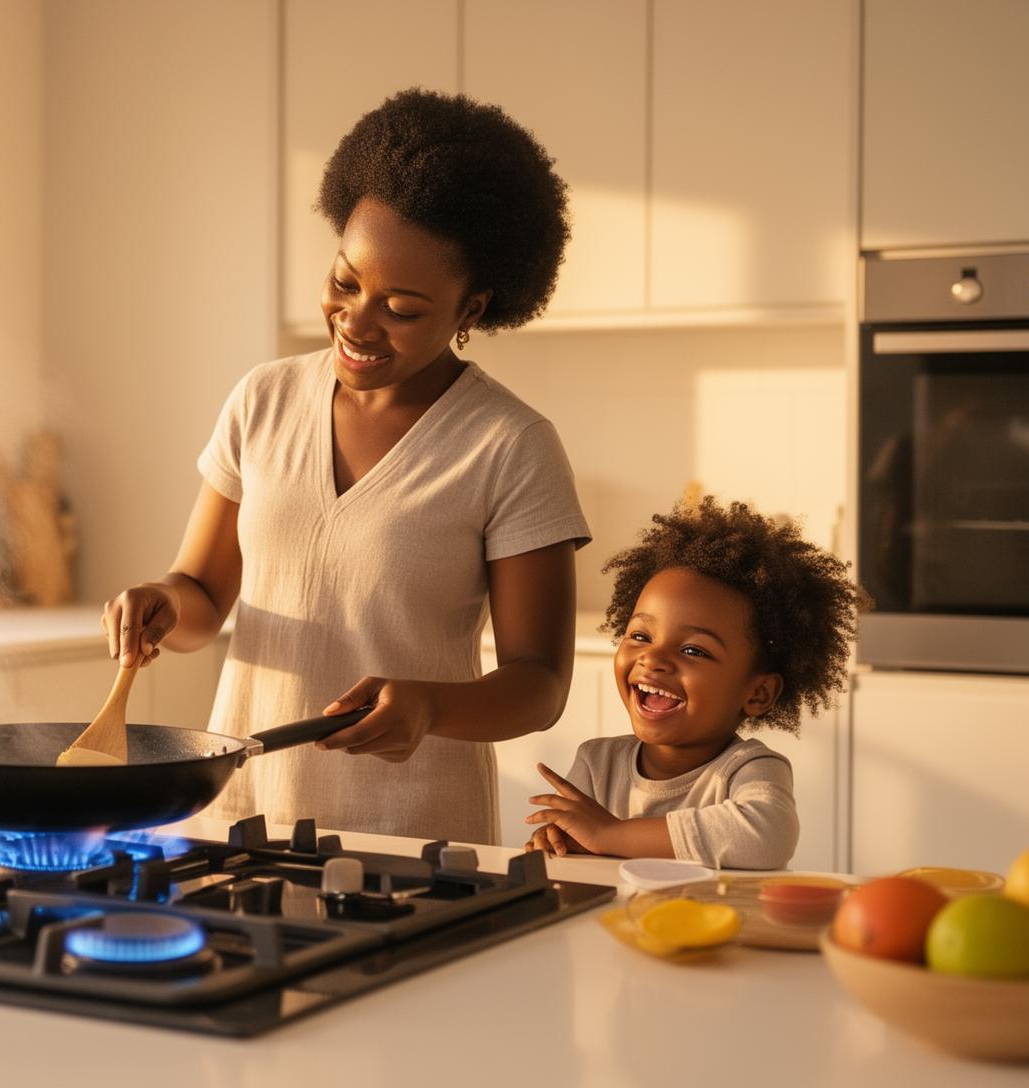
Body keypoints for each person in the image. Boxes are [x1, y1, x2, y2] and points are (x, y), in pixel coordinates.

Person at [101, 89, 587, 842]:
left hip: (416, 839)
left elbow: (540, 685)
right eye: (345, 282)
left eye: (403, 308)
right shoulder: (263, 398)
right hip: (245, 820)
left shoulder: (510, 445)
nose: (357, 322)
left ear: (472, 309)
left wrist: (428, 705)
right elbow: (202, 595)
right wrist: (160, 604)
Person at [525, 497, 867, 869]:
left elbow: (768, 835)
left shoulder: (750, 768)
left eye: (693, 650)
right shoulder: (596, 764)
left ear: (758, 693)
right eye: (641, 636)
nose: (653, 659)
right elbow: (578, 853)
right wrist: (557, 838)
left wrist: (611, 834)